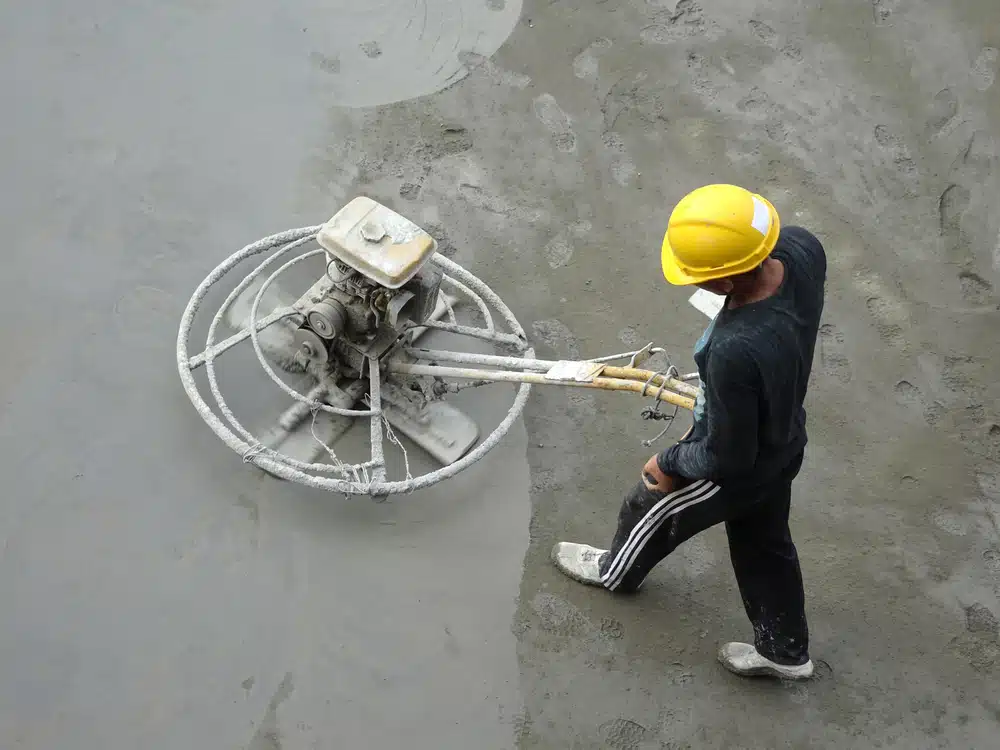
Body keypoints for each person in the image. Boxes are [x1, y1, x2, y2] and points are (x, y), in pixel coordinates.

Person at [551, 183, 826, 680]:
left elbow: (727, 458)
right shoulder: (802, 249)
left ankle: (615, 570)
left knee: (649, 505)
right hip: (786, 438)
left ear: (721, 283)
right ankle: (786, 653)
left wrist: (670, 463)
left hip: (740, 464)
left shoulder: (734, 350)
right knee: (765, 546)